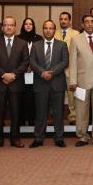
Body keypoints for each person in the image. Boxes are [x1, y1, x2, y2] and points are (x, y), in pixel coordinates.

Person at [0, 16, 29, 149]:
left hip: (16, 83)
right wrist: (3, 74)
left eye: (11, 25)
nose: (9, 27)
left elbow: (25, 62)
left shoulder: (22, 43)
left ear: (15, 27)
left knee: (16, 113)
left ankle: (15, 139)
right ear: (2, 27)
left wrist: (13, 75)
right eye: (6, 25)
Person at [69, 14, 93, 147]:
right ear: (82, 24)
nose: (90, 24)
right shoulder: (75, 39)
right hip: (81, 80)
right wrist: (73, 80)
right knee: (81, 110)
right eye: (87, 22)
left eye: (92, 21)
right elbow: (72, 61)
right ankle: (82, 136)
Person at [29, 20, 68, 148]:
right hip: (40, 83)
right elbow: (32, 62)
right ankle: (39, 138)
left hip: (57, 83)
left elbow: (64, 62)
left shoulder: (62, 45)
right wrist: (42, 73)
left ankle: (59, 138)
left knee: (58, 113)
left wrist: (51, 72)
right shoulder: (36, 45)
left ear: (54, 30)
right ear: (43, 30)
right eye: (45, 28)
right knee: (40, 113)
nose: (48, 30)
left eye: (51, 28)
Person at [54, 11, 80, 125]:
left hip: (71, 69)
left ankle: (73, 116)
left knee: (71, 95)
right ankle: (54, 116)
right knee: (55, 93)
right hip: (57, 69)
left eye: (66, 19)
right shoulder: (54, 33)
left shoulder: (76, 33)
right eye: (61, 19)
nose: (63, 21)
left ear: (69, 21)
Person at [17, 18, 43, 126]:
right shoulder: (17, 38)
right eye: (26, 24)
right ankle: (22, 119)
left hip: (35, 73)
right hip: (21, 73)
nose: (28, 26)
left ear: (33, 26)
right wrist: (24, 66)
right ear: (23, 26)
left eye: (30, 24)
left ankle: (33, 119)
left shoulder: (39, 39)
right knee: (21, 96)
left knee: (33, 96)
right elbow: (16, 56)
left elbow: (41, 56)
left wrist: (32, 66)